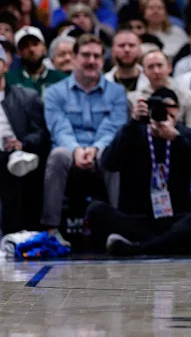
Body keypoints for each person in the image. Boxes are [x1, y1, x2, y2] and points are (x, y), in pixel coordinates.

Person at [87, 87, 191, 256]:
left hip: (177, 218)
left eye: (170, 108)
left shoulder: (184, 135)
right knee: (95, 210)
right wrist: (132, 123)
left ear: (177, 111)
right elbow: (108, 163)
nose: (165, 113)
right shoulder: (133, 132)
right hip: (139, 219)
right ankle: (173, 244)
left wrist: (176, 139)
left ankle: (140, 248)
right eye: (160, 108)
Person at [41, 35, 126, 239]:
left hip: (100, 150)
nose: (91, 61)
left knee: (111, 153)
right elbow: (59, 128)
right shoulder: (54, 92)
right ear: (75, 58)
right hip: (69, 153)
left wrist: (95, 148)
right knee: (58, 154)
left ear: (103, 60)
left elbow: (113, 128)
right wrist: (76, 150)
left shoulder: (117, 92)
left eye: (96, 56)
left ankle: (120, 227)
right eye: (85, 55)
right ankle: (51, 229)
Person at [0, 46, 48, 233]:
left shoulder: (26, 97)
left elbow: (41, 133)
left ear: (5, 66)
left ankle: (13, 235)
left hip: (15, 154)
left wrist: (22, 143)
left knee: (14, 165)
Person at [6, 26, 67, 97]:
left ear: (44, 48)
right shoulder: (9, 80)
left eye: (35, 44)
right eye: (25, 46)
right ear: (18, 52)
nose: (31, 49)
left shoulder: (61, 79)